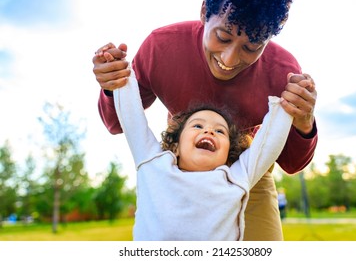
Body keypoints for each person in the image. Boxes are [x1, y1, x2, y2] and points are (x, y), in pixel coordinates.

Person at [92, 0, 318, 240]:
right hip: (180, 168)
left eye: (251, 47)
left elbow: (291, 163)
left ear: (267, 41)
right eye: (222, 37)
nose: (230, 59)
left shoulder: (282, 72)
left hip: (248, 174)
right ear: (203, 13)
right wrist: (113, 86)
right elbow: (117, 123)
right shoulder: (161, 47)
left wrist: (304, 121)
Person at [114, 69, 293, 240]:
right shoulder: (153, 165)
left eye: (220, 131)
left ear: (228, 156)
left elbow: (268, 144)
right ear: (175, 146)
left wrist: (286, 106)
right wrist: (122, 76)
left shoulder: (236, 177)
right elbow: (133, 120)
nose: (209, 131)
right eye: (198, 126)